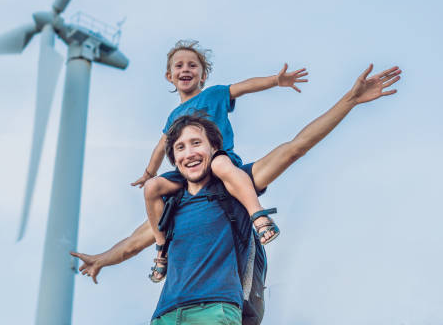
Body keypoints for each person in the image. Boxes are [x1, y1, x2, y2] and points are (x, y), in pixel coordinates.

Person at [71, 64, 401, 323]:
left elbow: (295, 148)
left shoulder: (235, 185)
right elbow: (130, 244)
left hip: (215, 312)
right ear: (174, 159)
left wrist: (350, 100)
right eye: (181, 148)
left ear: (215, 148)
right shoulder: (171, 208)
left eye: (196, 143)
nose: (189, 153)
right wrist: (101, 259)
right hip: (166, 314)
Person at [132, 40, 309, 281]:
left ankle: (258, 216)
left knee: (218, 164)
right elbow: (161, 146)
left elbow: (244, 87)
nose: (185, 69)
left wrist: (276, 81)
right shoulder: (173, 117)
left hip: (218, 160)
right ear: (169, 76)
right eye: (179, 66)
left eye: (192, 65)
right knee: (153, 189)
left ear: (203, 75)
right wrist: (148, 173)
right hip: (190, 172)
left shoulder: (213, 95)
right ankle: (162, 250)